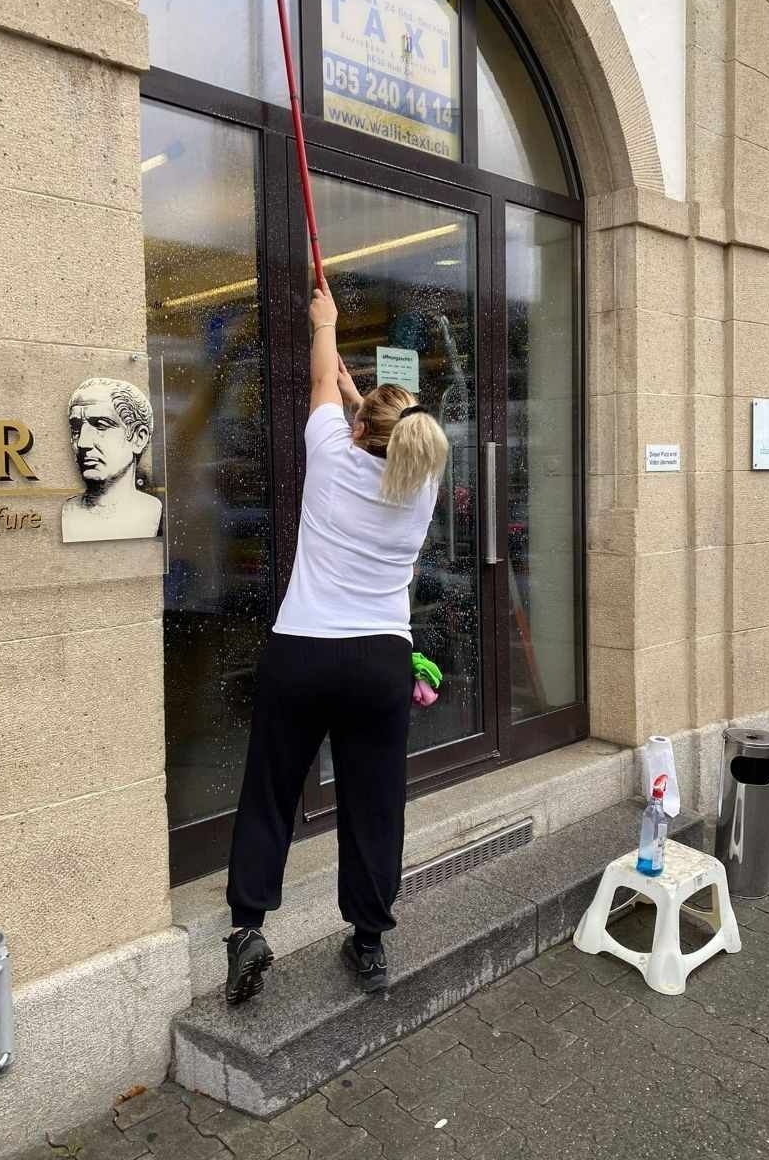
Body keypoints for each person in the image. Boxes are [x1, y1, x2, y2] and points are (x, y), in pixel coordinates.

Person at [223, 283, 449, 1005]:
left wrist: (324, 322)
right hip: (378, 660)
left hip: (303, 652)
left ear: (358, 432)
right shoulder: (424, 482)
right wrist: (363, 400)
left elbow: (322, 379)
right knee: (374, 801)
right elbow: (373, 422)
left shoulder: (327, 453)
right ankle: (370, 942)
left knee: (270, 791)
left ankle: (249, 928)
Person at [62, 377, 163, 543]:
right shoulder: (67, 512)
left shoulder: (154, 511)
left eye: (101, 425)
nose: (83, 443)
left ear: (138, 438)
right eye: (76, 428)